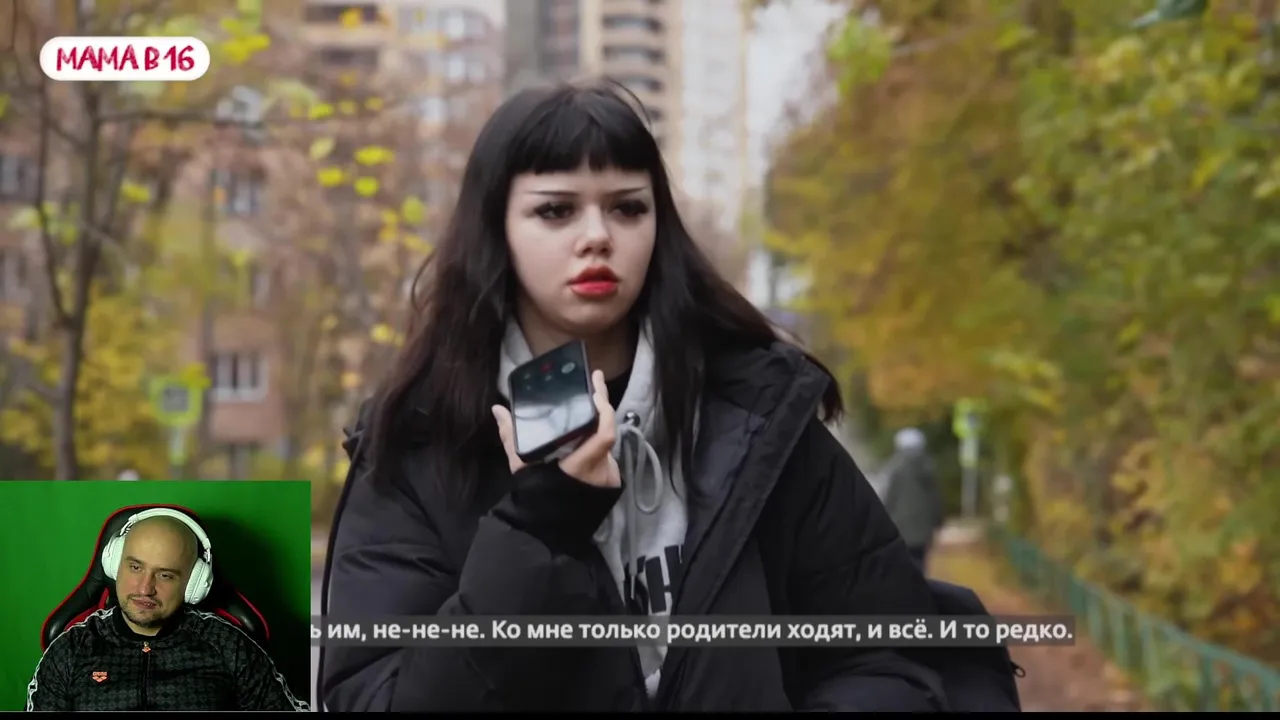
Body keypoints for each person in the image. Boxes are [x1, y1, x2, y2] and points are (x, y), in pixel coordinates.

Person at [318, 80, 949, 712]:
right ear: (496, 229)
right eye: (556, 211)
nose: (597, 236)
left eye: (627, 208)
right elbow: (375, 698)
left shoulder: (758, 417)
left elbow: (887, 655)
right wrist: (539, 526)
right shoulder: (420, 442)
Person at [25, 509, 309, 712]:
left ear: (193, 584)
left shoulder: (229, 646)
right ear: (114, 565)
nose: (145, 588)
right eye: (135, 567)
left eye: (165, 575)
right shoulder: (71, 649)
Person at [881, 428, 944, 572]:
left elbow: (889, 497)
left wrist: (882, 520)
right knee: (920, 561)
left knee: (901, 563)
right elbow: (935, 498)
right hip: (923, 526)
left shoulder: (894, 467)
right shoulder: (929, 466)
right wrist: (938, 520)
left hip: (899, 526)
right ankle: (919, 582)